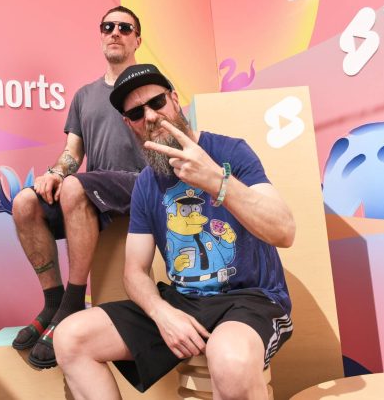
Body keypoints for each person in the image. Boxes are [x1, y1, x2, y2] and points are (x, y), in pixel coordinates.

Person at [54, 64, 296, 400]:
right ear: (129, 124)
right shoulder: (146, 184)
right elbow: (134, 272)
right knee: (70, 338)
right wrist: (161, 313)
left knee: (230, 359)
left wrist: (214, 179)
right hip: (184, 300)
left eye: (156, 102)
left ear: (175, 100)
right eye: (136, 113)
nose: (150, 116)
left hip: (250, 297)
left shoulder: (229, 152)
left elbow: (284, 231)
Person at [11, 6, 146, 369]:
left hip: (140, 185)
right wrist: (55, 172)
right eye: (108, 26)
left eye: (124, 27)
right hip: (93, 190)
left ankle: (72, 305)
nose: (115, 32)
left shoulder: (151, 84)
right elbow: (73, 152)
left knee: (73, 187)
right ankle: (53, 301)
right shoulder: (84, 96)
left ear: (137, 39)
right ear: (101, 34)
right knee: (25, 202)